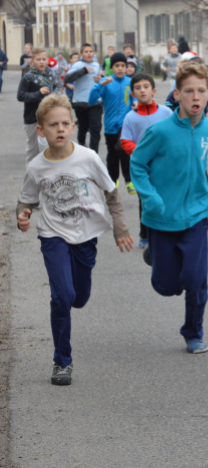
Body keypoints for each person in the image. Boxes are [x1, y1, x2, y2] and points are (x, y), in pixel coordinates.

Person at [16, 94, 132, 386]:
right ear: (41, 130)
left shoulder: (88, 157)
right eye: (53, 125)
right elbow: (25, 200)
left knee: (78, 298)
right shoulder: (36, 166)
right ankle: (61, 361)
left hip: (85, 236)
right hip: (52, 235)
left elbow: (112, 194)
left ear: (73, 125)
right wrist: (23, 216)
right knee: (62, 298)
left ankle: (71, 304)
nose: (60, 129)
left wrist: (120, 228)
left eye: (65, 124)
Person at [130, 62, 208, 354]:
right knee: (167, 286)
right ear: (177, 94)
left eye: (201, 91)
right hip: (161, 218)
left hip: (197, 216)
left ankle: (193, 331)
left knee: (196, 279)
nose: (196, 97)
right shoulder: (159, 131)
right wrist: (150, 197)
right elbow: (137, 164)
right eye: (189, 91)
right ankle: (156, 256)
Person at [120, 73, 172, 249]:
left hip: (164, 166)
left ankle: (168, 230)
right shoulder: (130, 117)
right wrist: (142, 153)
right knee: (146, 201)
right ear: (132, 93)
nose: (142, 90)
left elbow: (174, 135)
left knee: (167, 197)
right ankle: (145, 234)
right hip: (142, 168)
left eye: (146, 87)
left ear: (153, 91)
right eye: (138, 88)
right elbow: (125, 141)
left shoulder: (166, 112)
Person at [88, 52, 134, 193]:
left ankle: (129, 180)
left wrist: (136, 104)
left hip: (125, 124)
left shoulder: (130, 82)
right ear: (111, 68)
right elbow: (91, 100)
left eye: (123, 66)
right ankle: (112, 180)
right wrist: (100, 85)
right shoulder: (107, 81)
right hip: (109, 125)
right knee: (112, 154)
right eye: (117, 66)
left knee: (122, 149)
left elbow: (134, 98)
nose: (120, 68)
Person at [17, 48, 56, 177]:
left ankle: (46, 173)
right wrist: (38, 93)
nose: (41, 62)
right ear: (32, 61)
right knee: (32, 150)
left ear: (47, 60)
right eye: (38, 59)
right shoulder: (28, 77)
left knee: (46, 144)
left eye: (44, 59)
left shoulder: (51, 74)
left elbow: (56, 89)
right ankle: (31, 175)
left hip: (48, 117)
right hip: (31, 117)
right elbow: (20, 96)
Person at [64, 43, 103, 154]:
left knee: (96, 128)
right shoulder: (77, 64)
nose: (89, 53)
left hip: (95, 102)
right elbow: (67, 78)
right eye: (86, 51)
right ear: (81, 54)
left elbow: (101, 79)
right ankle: (81, 144)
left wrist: (101, 79)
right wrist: (83, 71)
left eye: (91, 51)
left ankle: (93, 153)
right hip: (81, 102)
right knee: (83, 127)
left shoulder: (96, 65)